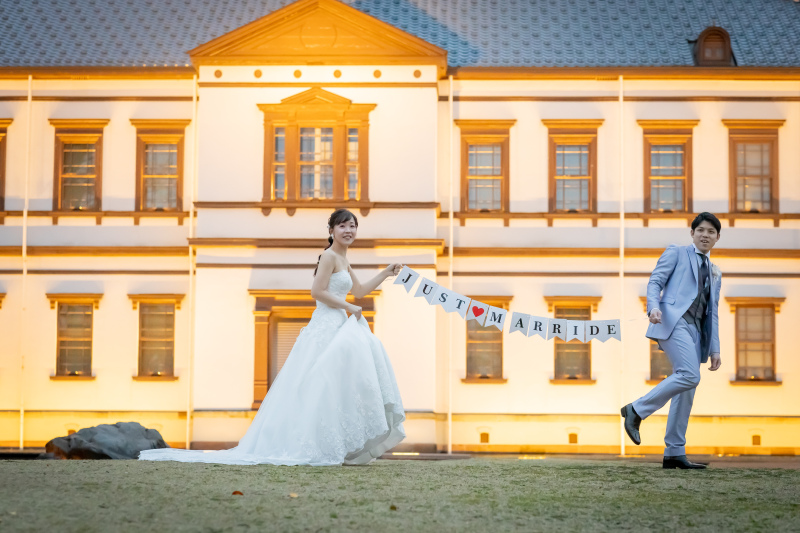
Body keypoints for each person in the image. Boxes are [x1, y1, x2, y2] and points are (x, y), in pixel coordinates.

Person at [139, 208, 406, 465]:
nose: (349, 230)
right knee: (317, 385)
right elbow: (317, 292)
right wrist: (348, 307)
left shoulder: (344, 260)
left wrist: (385, 272)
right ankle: (310, 445)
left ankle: (336, 444)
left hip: (339, 326)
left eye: (353, 226)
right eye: (343, 225)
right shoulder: (328, 257)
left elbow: (359, 291)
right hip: (325, 327)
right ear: (331, 230)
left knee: (334, 386)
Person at [621, 212, 722, 469]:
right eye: (701, 230)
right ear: (692, 233)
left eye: (711, 232)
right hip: (672, 321)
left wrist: (714, 348)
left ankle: (675, 453)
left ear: (717, 238)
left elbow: (714, 312)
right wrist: (652, 307)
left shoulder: (715, 272)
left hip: (696, 332)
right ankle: (636, 410)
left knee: (686, 389)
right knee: (689, 374)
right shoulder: (677, 252)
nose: (705, 235)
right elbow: (655, 281)